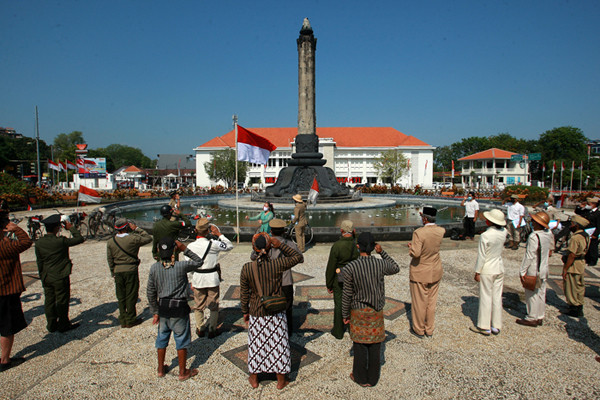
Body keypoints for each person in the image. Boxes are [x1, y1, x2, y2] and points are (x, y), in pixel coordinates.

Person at [240, 233, 302, 390]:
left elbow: (244, 293)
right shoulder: (276, 264)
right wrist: (279, 244)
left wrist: (244, 311)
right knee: (278, 344)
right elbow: (298, 257)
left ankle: (254, 378)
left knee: (256, 345)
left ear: (254, 248)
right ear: (269, 247)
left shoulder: (247, 268)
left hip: (256, 311)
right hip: (276, 312)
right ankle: (281, 380)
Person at [342, 232, 400, 387]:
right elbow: (396, 268)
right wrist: (382, 253)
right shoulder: (380, 264)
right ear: (374, 247)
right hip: (375, 311)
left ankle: (360, 377)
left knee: (359, 345)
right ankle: (373, 378)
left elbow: (347, 293)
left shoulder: (351, 267)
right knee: (375, 346)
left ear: (357, 246)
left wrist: (344, 314)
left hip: (358, 310)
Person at [147, 237, 204, 381]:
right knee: (181, 339)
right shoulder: (180, 266)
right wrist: (184, 248)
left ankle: (160, 369)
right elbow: (199, 262)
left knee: (162, 338)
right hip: (179, 308)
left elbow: (150, 291)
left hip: (163, 308)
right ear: (174, 249)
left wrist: (155, 311)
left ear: (159, 250)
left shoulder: (154, 268)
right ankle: (182, 371)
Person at [251, 218, 303, 337]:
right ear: (284, 230)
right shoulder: (289, 244)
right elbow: (300, 258)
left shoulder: (265, 242)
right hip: (285, 281)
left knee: (269, 306)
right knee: (287, 308)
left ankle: (270, 331)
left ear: (271, 230)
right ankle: (287, 331)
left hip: (268, 280)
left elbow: (253, 257)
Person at [35, 214, 85, 333]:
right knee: (62, 300)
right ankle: (63, 324)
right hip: (60, 275)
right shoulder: (60, 241)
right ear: (57, 227)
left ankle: (51, 324)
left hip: (47, 275)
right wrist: (71, 228)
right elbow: (79, 238)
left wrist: (42, 275)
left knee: (49, 300)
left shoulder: (39, 243)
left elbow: (39, 261)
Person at [185, 218, 233, 339]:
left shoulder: (190, 246)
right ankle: (212, 328)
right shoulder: (213, 244)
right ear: (208, 231)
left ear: (196, 230)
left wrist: (191, 280)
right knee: (213, 304)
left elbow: (188, 266)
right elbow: (229, 245)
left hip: (198, 278)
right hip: (212, 278)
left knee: (198, 304)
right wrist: (219, 234)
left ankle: (200, 328)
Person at [0, 201, 33, 372]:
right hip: (5, 291)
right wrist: (15, 229)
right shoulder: (4, 246)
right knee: (7, 327)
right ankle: (5, 360)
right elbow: (26, 242)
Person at [106, 218, 152, 328]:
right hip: (131, 269)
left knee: (121, 296)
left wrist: (113, 271)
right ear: (127, 227)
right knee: (131, 294)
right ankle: (131, 318)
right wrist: (136, 228)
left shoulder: (111, 241)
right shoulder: (133, 239)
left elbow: (110, 258)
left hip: (118, 270)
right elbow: (148, 238)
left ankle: (123, 317)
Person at [408, 207, 445, 338]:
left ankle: (419, 329)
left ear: (424, 218)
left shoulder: (419, 233)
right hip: (435, 269)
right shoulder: (441, 231)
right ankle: (429, 328)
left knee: (419, 301)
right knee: (431, 301)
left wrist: (411, 248)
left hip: (421, 270)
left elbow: (416, 253)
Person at [470, 209, 508, 336]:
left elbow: (482, 256)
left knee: (486, 296)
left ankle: (484, 326)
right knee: (497, 297)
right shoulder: (504, 232)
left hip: (487, 268)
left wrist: (477, 271)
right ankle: (496, 325)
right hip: (499, 266)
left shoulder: (485, 236)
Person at [516, 211, 554, 327]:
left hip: (534, 268)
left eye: (534, 221)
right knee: (541, 292)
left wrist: (522, 270)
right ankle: (540, 315)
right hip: (544, 267)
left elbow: (529, 255)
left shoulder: (534, 236)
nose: (532, 223)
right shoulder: (548, 234)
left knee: (531, 293)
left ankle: (531, 317)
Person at [325, 220, 359, 339]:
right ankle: (352, 328)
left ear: (341, 231)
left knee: (339, 302)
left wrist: (329, 283)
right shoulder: (356, 244)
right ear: (353, 231)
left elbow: (331, 266)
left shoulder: (337, 245)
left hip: (339, 277)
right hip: (354, 276)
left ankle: (338, 331)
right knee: (353, 301)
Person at [561, 214, 590, 318]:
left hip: (574, 264)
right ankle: (579, 305)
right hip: (580, 263)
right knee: (579, 286)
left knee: (571, 285)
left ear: (576, 226)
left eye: (572, 224)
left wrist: (565, 268)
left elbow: (572, 255)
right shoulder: (585, 235)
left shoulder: (576, 238)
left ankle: (573, 307)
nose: (571, 226)